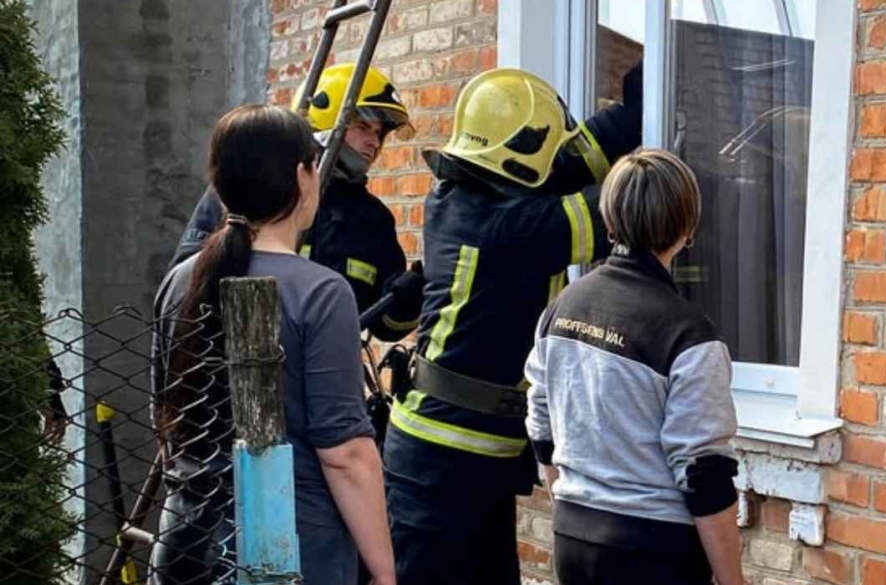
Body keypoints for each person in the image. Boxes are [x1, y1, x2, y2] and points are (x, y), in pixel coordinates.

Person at [381, 64, 642, 585]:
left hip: (469, 454)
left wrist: (640, 100)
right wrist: (663, 167)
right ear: (513, 156)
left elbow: (569, 159)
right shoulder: (507, 226)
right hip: (440, 464)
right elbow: (618, 208)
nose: (553, 163)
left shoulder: (466, 194)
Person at [149, 105, 395, 585]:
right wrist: (385, 571)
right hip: (293, 550)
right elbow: (344, 453)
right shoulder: (320, 292)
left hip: (186, 540)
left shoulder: (180, 281)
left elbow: (168, 426)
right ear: (303, 177)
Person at [524, 149, 743, 585]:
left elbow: (540, 428)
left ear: (609, 222)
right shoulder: (690, 335)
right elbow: (704, 474)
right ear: (687, 228)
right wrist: (732, 579)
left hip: (573, 537)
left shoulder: (561, 308)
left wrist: (572, 505)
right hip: (655, 551)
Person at [169, 63, 423, 343]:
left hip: (321, 365)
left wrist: (405, 302)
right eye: (363, 127)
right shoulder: (248, 185)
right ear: (323, 123)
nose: (373, 142)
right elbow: (185, 283)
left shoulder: (372, 220)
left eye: (379, 133)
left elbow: (387, 329)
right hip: (234, 360)